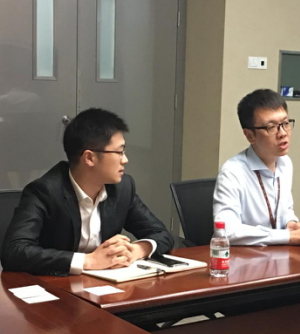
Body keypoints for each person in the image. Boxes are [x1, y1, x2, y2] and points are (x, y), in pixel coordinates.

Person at [1, 108, 173, 276]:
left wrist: (135, 250)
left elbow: (161, 234)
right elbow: (14, 251)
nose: (125, 160)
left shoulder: (123, 188)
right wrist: (89, 261)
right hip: (56, 286)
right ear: (89, 158)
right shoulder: (45, 191)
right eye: (119, 152)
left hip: (105, 285)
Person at [213, 89, 300, 245]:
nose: (283, 133)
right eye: (271, 127)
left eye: (285, 123)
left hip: (277, 254)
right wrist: (287, 236)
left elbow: (285, 210)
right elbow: (226, 231)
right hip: (244, 257)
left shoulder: (285, 163)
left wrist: (291, 223)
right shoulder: (232, 173)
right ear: (250, 135)